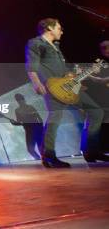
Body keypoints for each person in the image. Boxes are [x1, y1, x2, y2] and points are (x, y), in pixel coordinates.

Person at [25, 18, 108, 167]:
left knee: (96, 111)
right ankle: (48, 155)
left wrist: (93, 76)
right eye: (59, 28)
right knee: (55, 118)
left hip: (68, 86)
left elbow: (68, 71)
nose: (61, 31)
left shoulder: (56, 46)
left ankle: (91, 151)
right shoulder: (36, 43)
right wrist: (37, 83)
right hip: (53, 87)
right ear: (49, 28)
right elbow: (31, 66)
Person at [9, 93, 44, 160]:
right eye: (18, 100)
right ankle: (39, 159)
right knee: (30, 149)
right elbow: (19, 122)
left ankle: (45, 160)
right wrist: (13, 123)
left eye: (21, 99)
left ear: (23, 99)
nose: (20, 101)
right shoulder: (17, 110)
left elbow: (39, 118)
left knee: (41, 147)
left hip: (36, 128)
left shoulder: (31, 107)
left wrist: (41, 127)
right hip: (28, 131)